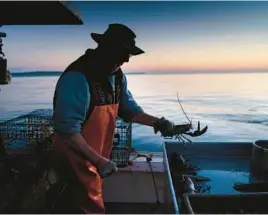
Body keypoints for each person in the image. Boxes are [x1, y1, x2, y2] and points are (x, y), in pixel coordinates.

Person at [52, 23, 190, 214]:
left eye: (129, 54)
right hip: (74, 160)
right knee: (81, 206)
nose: (126, 59)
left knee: (92, 203)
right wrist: (99, 161)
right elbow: (67, 131)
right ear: (105, 48)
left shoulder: (116, 76)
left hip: (95, 160)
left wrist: (159, 123)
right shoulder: (77, 78)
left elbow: (130, 110)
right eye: (122, 52)